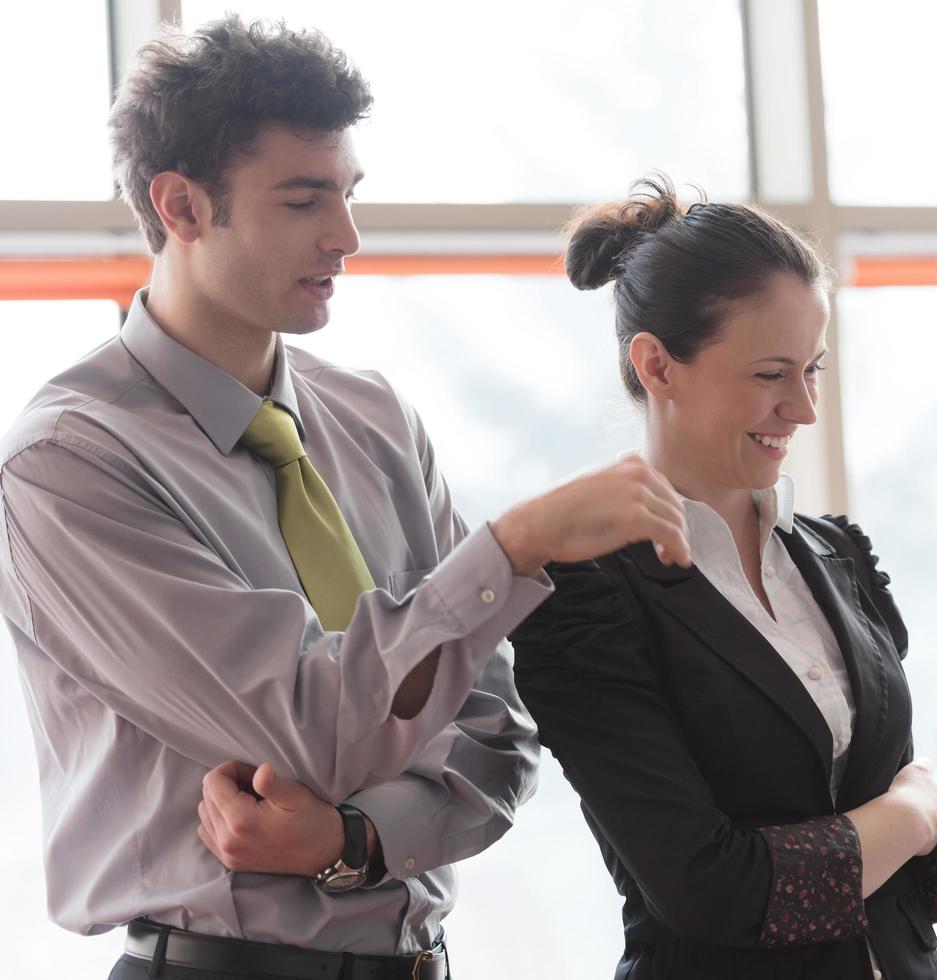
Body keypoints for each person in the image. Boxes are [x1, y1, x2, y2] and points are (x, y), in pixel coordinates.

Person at [0, 20, 690, 980]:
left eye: (348, 194)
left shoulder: (375, 420)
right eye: (302, 199)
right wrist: (517, 544)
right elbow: (307, 727)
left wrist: (353, 839)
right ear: (182, 206)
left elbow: (497, 736)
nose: (347, 236)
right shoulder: (68, 465)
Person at [504, 176, 937, 980]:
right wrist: (906, 813)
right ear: (657, 367)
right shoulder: (585, 597)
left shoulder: (836, 558)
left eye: (812, 370)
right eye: (770, 375)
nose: (803, 409)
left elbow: (900, 886)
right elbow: (711, 891)